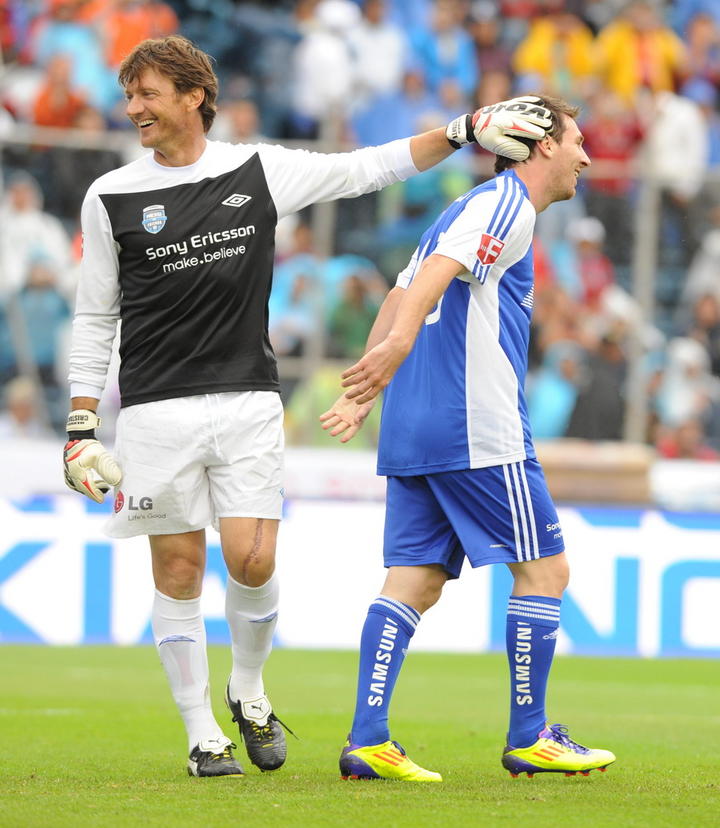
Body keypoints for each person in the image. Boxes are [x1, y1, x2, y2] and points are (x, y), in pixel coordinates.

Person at [60, 34, 553, 779]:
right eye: (130, 97)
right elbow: (97, 315)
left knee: (252, 560)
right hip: (156, 409)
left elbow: (367, 169)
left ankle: (249, 690)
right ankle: (202, 734)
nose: (134, 109)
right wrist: (80, 421)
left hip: (249, 398)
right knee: (180, 569)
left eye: (148, 95)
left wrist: (458, 132)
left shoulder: (258, 170)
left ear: (195, 96)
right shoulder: (113, 195)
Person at [321, 94, 617, 782]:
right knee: (545, 571)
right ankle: (531, 733)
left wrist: (366, 388)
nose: (585, 156)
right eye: (577, 141)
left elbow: (403, 291)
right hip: (475, 425)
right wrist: (392, 350)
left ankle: (368, 738)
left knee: (416, 580)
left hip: (416, 425)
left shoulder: (460, 211)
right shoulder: (507, 202)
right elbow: (428, 284)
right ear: (543, 146)